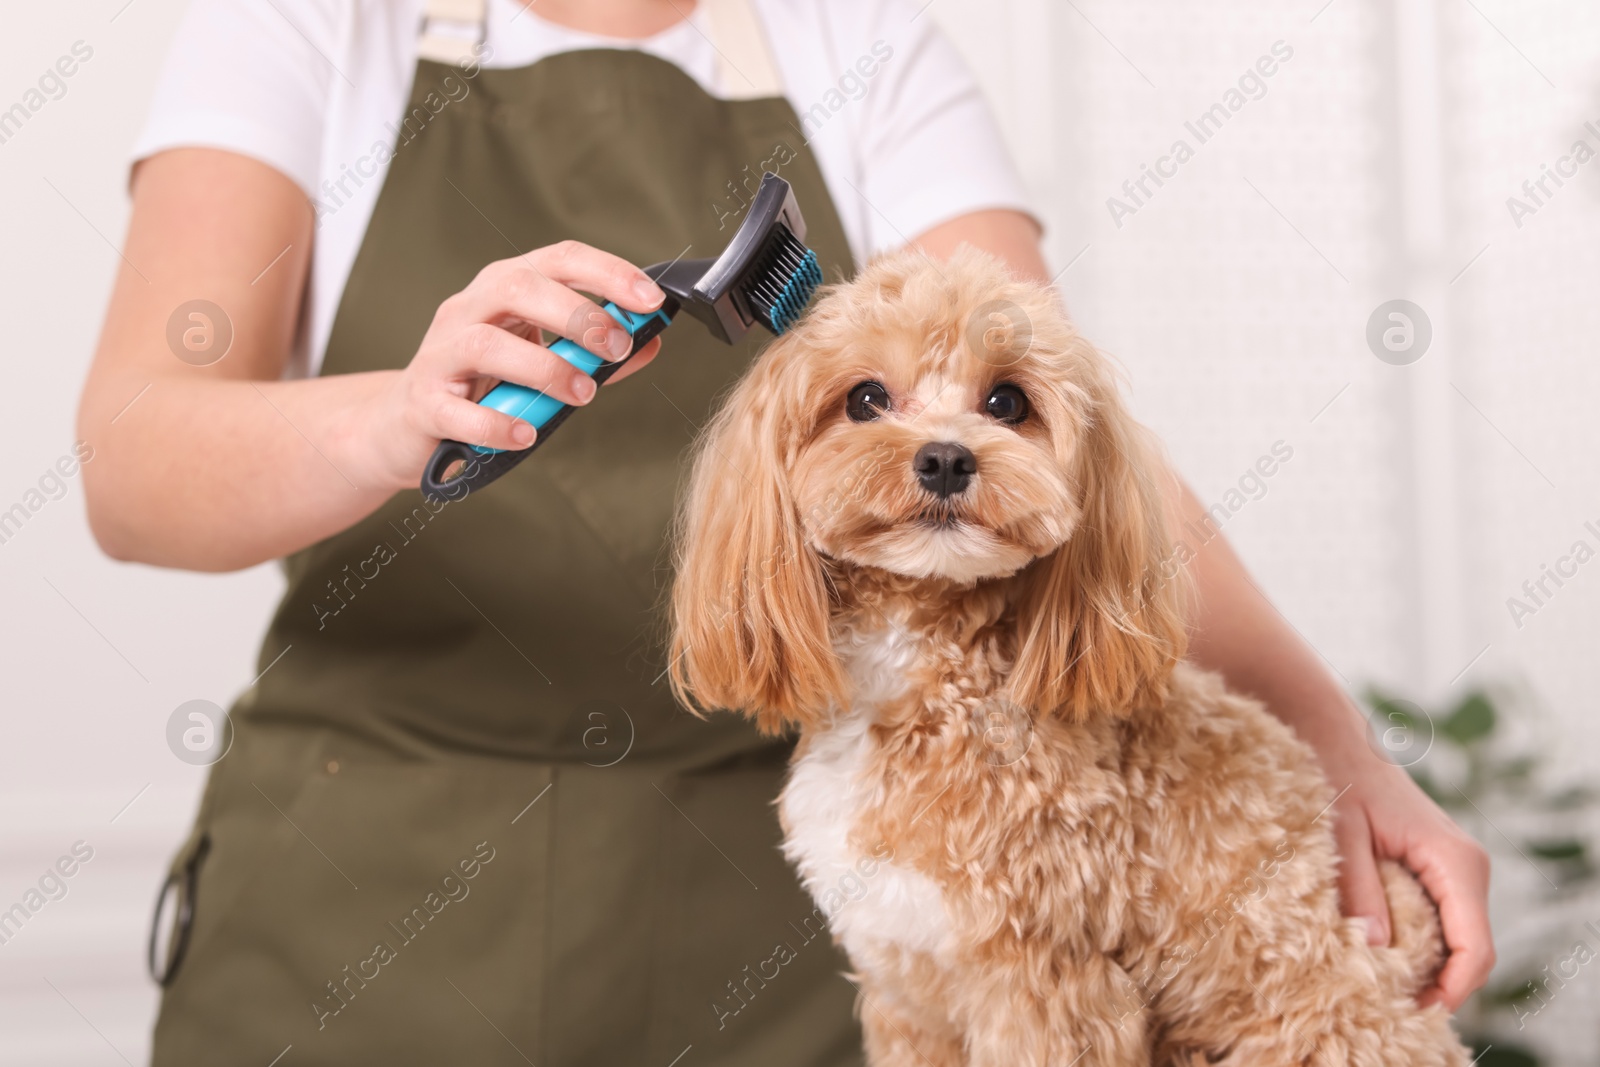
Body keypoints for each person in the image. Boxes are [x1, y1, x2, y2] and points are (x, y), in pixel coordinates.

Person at [78, 0, 1493, 1063]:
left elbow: (1068, 444)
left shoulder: (857, 42)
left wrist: (1336, 746)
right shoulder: (306, 25)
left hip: (775, 957)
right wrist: (392, 417)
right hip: (354, 919)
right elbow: (131, 472)